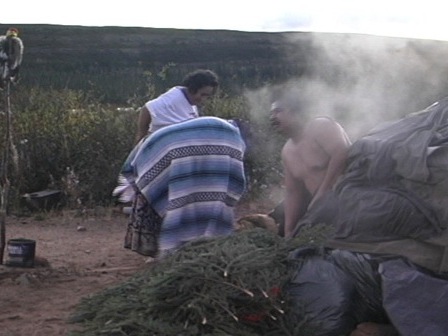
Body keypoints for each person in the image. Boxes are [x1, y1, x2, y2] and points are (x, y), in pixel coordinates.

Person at [118, 116, 247, 257]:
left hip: (158, 149)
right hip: (165, 149)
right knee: (189, 201)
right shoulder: (233, 137)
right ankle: (186, 247)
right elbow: (235, 182)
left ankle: (162, 250)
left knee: (176, 200)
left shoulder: (220, 129)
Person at [269, 93, 351, 238]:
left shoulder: (320, 126)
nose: (272, 118)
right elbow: (293, 193)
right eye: (271, 113)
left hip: (349, 200)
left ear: (295, 112)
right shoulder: (287, 151)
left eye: (278, 111)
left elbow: (342, 153)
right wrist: (289, 232)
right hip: (321, 211)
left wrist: (322, 194)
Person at [135, 69, 219, 144]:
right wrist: (141, 134)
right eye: (202, 94)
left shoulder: (191, 104)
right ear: (193, 88)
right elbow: (148, 108)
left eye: (207, 96)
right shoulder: (171, 100)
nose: (204, 100)